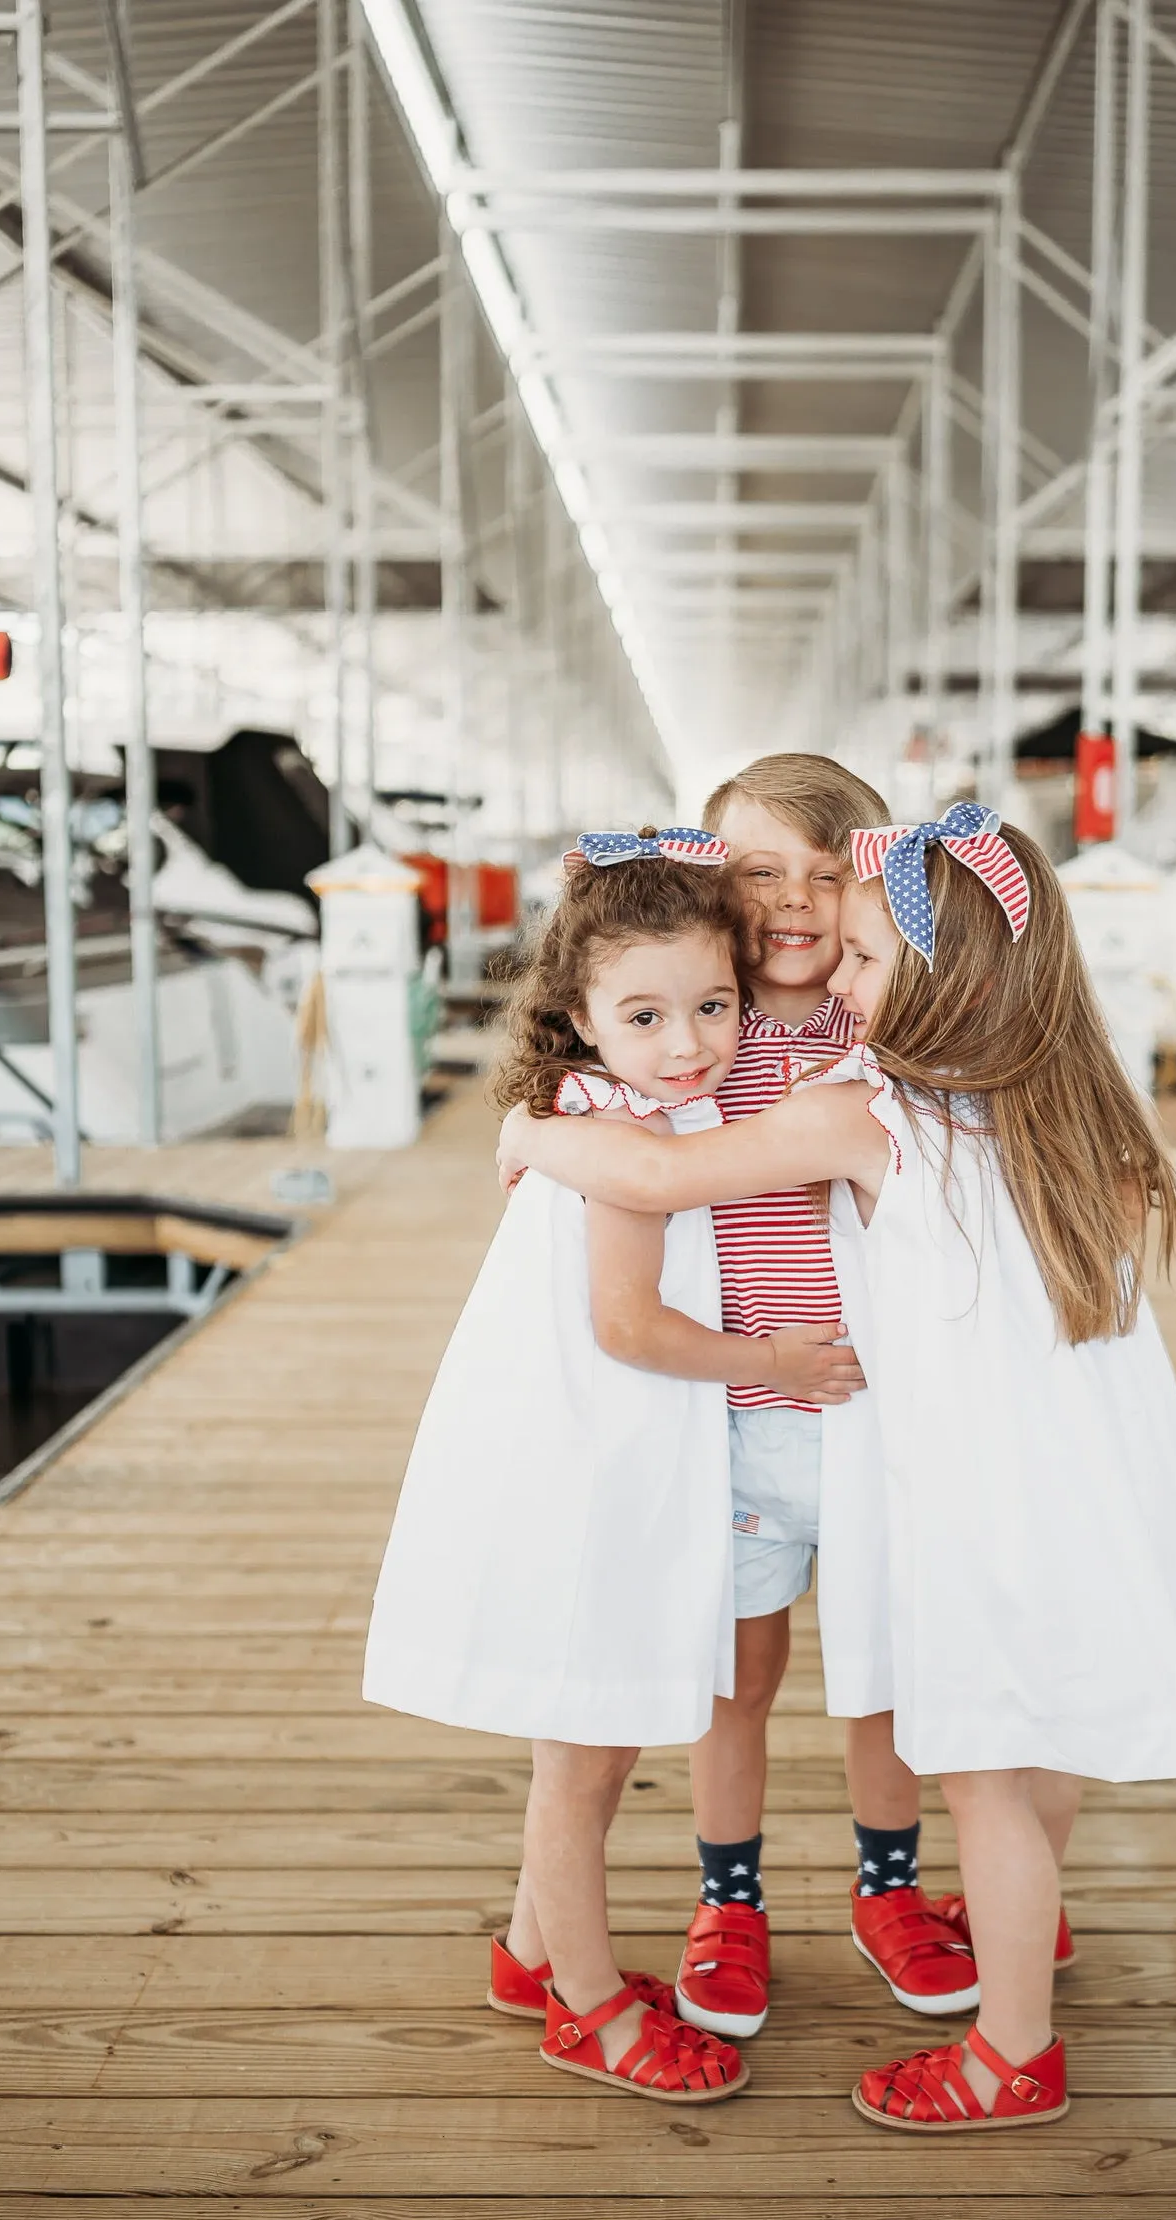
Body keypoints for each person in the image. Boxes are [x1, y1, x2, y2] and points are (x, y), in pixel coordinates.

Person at [498, 801, 1176, 2134]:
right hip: (1087, 1480)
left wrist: (527, 1136)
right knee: (1040, 1751)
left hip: (975, 1490)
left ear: (941, 980)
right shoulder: (1068, 1104)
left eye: (862, 961)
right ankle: (1006, 1922)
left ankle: (1008, 2052)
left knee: (986, 1775)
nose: (839, 988)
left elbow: (661, 1180)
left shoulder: (868, 1117)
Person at [363, 827, 862, 2106]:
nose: (689, 1040)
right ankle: (589, 2010)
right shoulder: (625, 1133)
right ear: (576, 1016)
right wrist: (778, 1361)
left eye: (711, 1005)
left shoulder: (606, 1110)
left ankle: (530, 1957)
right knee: (582, 1761)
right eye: (645, 1013)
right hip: (587, 1464)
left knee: (589, 1742)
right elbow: (629, 1326)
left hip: (591, 1447)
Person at [678, 754, 982, 2043]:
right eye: (759, 871)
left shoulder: (882, 1026)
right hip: (738, 1418)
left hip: (872, 1419)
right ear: (712, 880)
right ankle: (728, 1900)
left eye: (823, 871)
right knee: (733, 1679)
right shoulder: (688, 1025)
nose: (794, 902)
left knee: (883, 1680)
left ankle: (889, 1886)